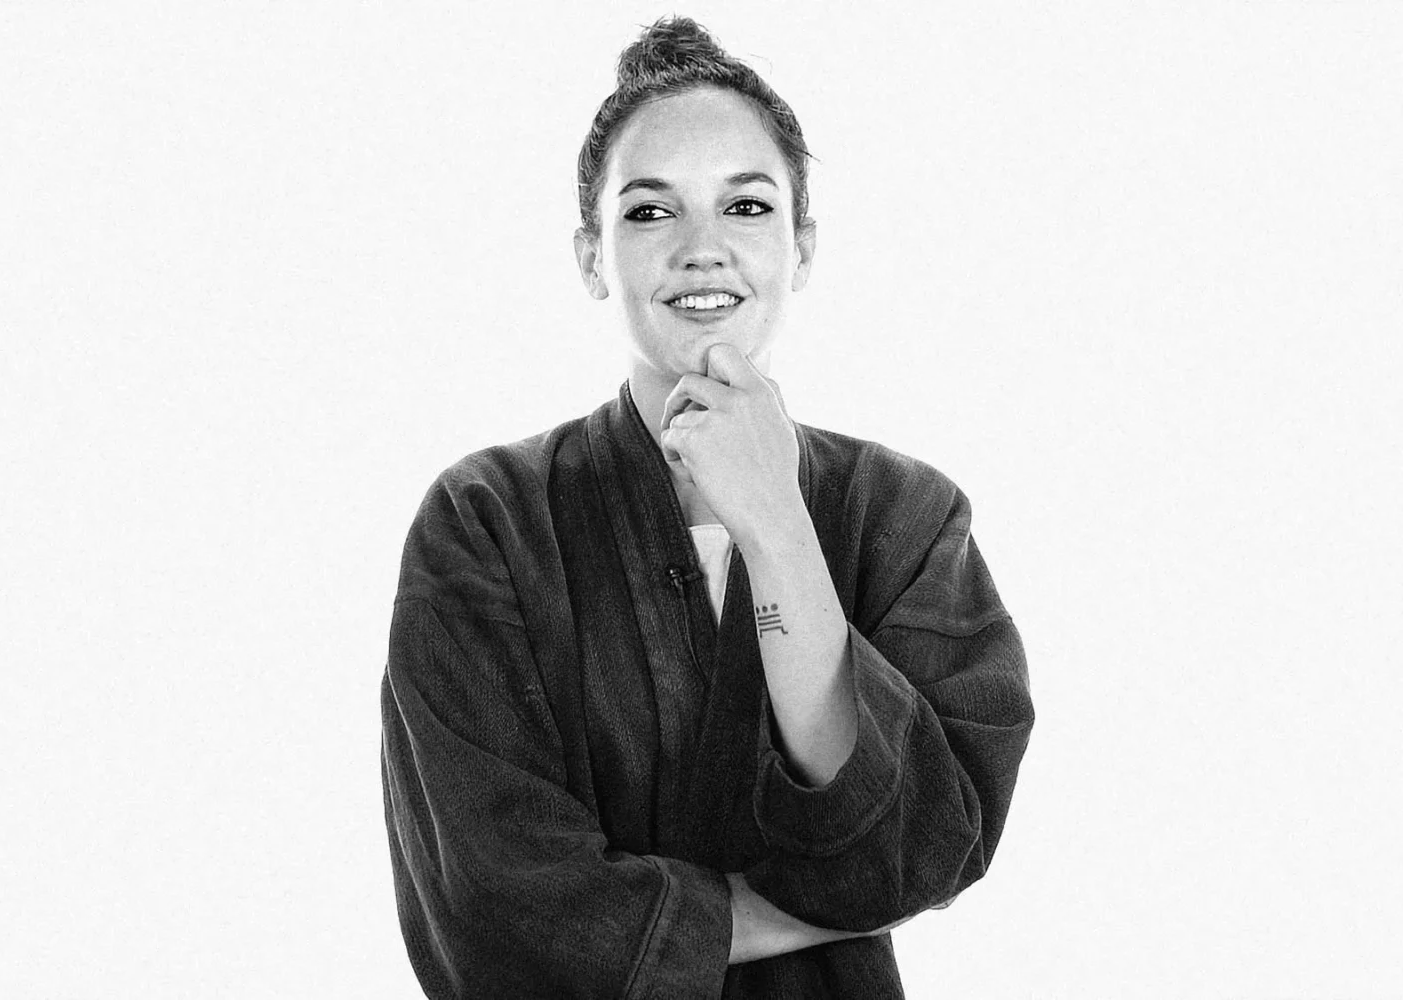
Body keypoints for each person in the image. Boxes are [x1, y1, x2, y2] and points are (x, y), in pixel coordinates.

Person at [380, 16, 1033, 998]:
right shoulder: (486, 522)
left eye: (747, 205)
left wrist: (775, 521)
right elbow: (491, 901)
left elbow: (925, 844)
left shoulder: (905, 517)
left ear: (800, 247)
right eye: (651, 212)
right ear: (592, 257)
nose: (702, 249)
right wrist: (801, 913)